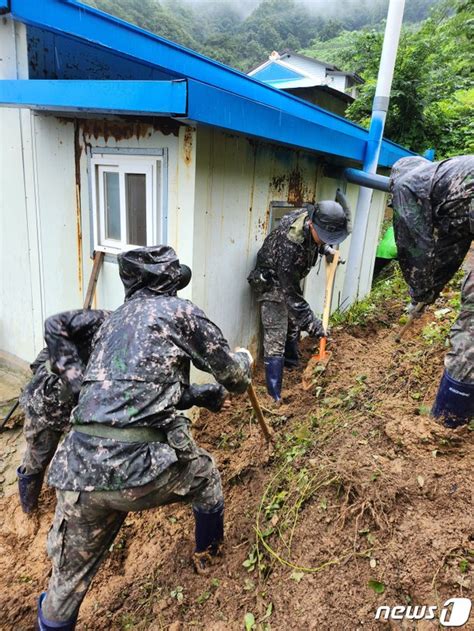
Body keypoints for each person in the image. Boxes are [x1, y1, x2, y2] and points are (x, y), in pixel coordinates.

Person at [37, 245, 252, 630]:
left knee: (64, 587)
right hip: (140, 473)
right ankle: (208, 553)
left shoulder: (109, 322)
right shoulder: (179, 313)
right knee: (205, 477)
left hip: (78, 472)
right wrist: (245, 360)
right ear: (171, 282)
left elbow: (59, 327)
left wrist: (77, 381)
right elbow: (235, 380)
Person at [390, 154, 474, 427]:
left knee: (471, 324)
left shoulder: (407, 186)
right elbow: (451, 248)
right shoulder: (446, 184)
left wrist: (420, 289)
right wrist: (430, 292)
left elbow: (417, 247)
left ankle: (449, 421)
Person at [247, 189, 352, 403]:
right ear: (312, 225)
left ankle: (293, 367)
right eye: (324, 238)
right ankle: (274, 395)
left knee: (294, 324)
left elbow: (314, 241)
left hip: (289, 278)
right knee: (277, 332)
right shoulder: (289, 245)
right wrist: (315, 326)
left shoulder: (311, 218)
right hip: (271, 281)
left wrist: (326, 250)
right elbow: (292, 297)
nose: (324, 241)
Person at [17, 309, 109, 513]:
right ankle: (28, 509)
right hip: (47, 405)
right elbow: (48, 345)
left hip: (82, 409)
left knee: (77, 459)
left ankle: (69, 508)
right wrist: (63, 375)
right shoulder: (99, 320)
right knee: (37, 458)